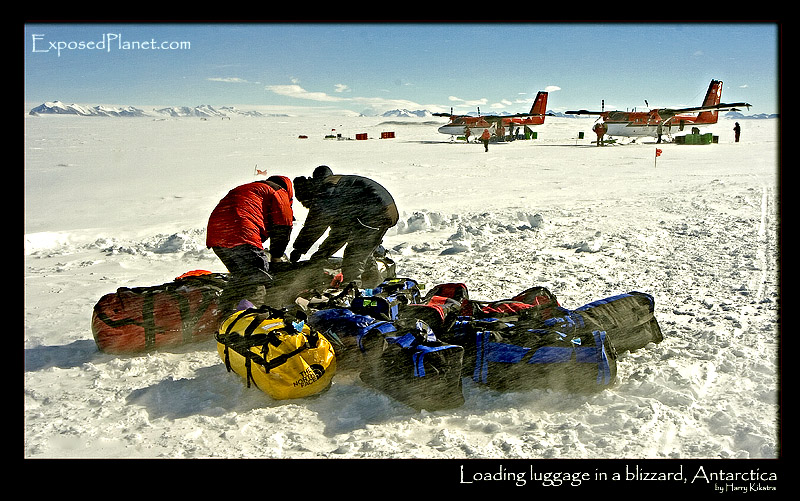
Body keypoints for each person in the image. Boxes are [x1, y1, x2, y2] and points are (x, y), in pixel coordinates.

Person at [291, 166, 399, 288]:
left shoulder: (325, 194)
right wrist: (320, 256)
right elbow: (340, 234)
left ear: (309, 194)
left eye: (305, 202)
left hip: (375, 212)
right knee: (364, 250)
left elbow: (314, 227)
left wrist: (299, 249)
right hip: (385, 211)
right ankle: (373, 286)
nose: (307, 206)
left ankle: (351, 292)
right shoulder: (337, 189)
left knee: (354, 255)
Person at [206, 176, 294, 313]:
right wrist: (276, 257)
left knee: (241, 277)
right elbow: (283, 227)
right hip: (241, 231)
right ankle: (249, 318)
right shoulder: (278, 191)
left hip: (216, 234)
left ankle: (223, 314)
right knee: (257, 281)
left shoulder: (251, 189)